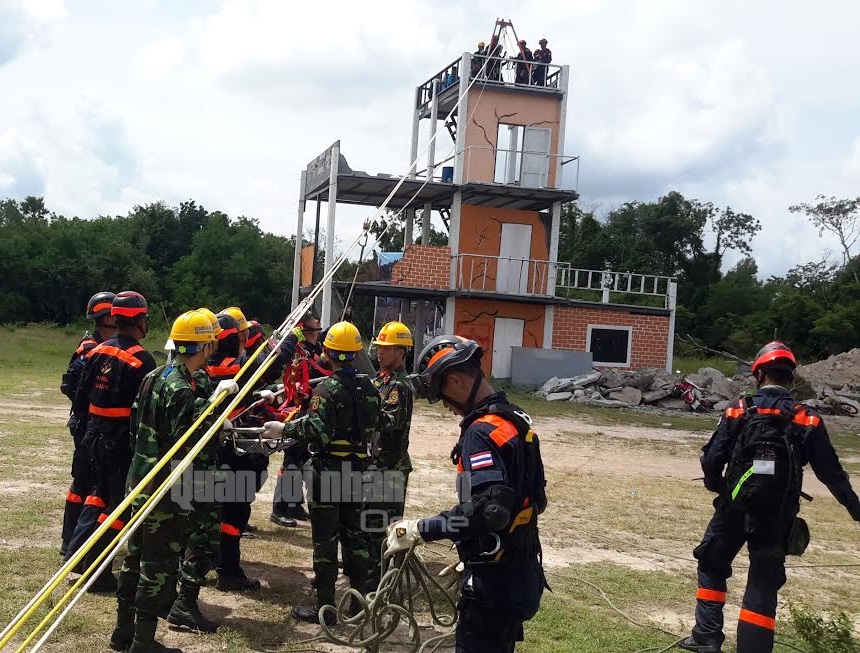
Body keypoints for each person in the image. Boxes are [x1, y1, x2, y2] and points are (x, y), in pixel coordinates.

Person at [678, 341, 860, 653]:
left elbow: (711, 460)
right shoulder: (808, 419)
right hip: (777, 514)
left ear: (759, 375)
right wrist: (855, 508)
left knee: (712, 563)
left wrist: (717, 486)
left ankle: (706, 637)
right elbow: (832, 474)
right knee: (762, 582)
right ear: (791, 377)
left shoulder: (738, 410)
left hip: (734, 508)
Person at [385, 335, 548, 653]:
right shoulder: (514, 421)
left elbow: (491, 511)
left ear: (456, 380)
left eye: (441, 395)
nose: (446, 407)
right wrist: (477, 549)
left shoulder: (480, 433)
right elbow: (532, 501)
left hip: (496, 583)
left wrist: (421, 529)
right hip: (520, 570)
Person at [111, 310, 238, 653]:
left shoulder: (156, 374)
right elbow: (192, 441)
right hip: (165, 491)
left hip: (141, 479)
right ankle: (143, 642)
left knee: (135, 559)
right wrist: (214, 408)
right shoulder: (181, 388)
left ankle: (123, 632)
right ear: (207, 345)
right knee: (159, 567)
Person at [262, 321, 380, 624]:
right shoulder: (370, 388)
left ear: (327, 351)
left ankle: (325, 607)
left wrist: (285, 427)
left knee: (325, 541)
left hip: (328, 473)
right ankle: (359, 603)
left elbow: (318, 432)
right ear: (355, 352)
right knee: (356, 538)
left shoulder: (327, 390)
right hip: (356, 472)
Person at [66, 291, 157, 592]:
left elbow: (80, 395)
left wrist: (85, 427)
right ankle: (97, 569)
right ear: (140, 319)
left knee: (96, 494)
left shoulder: (96, 351)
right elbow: (144, 411)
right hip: (118, 440)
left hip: (92, 433)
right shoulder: (142, 360)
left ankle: (75, 556)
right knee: (117, 505)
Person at [207, 312, 263, 591]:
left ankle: (205, 561)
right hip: (237, 451)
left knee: (209, 510)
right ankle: (228, 569)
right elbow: (268, 367)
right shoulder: (242, 366)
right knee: (235, 513)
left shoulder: (202, 367)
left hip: (211, 453)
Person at [60, 291, 116, 556]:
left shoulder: (95, 346)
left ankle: (72, 543)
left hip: (86, 424)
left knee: (82, 485)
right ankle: (75, 544)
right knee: (86, 485)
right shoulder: (91, 349)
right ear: (106, 318)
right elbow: (69, 385)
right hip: (87, 426)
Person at [366, 322, 414, 585]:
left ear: (401, 351)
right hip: (377, 465)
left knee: (383, 528)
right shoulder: (380, 378)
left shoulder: (398, 385)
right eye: (379, 347)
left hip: (389, 467)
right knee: (372, 525)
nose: (380, 352)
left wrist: (360, 413)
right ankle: (376, 577)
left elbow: (389, 421)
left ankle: (380, 583)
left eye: (386, 348)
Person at [271, 312, 327, 527]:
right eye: (314, 330)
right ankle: (279, 508)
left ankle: (294, 504)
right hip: (297, 409)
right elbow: (303, 375)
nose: (318, 333)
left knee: (302, 459)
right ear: (303, 332)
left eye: (319, 330)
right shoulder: (298, 352)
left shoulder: (316, 348)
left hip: (312, 410)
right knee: (292, 460)